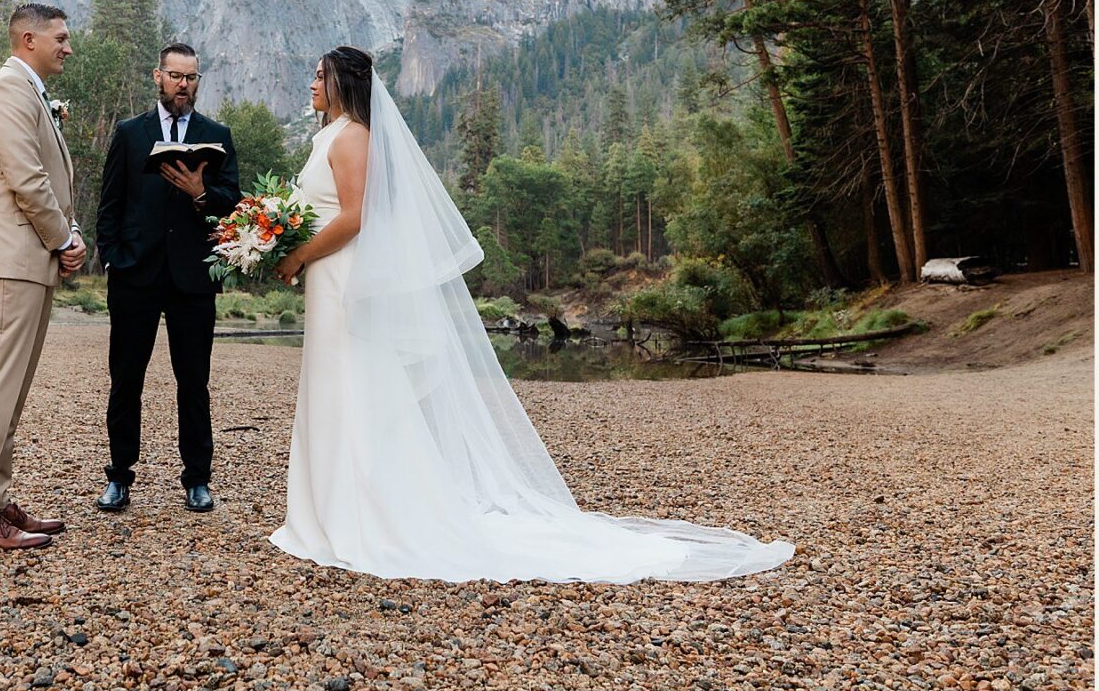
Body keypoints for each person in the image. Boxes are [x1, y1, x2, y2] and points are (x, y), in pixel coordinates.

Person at [269, 45, 794, 582]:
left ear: (345, 84)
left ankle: (368, 516)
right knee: (336, 387)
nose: (311, 84)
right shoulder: (327, 137)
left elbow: (356, 216)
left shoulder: (354, 135)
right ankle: (329, 511)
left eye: (320, 76)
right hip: (328, 280)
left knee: (356, 388)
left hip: (345, 280)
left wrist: (297, 253)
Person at [0, 3, 85, 551]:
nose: (68, 47)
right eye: (61, 38)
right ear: (28, 39)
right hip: (8, 258)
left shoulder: (27, 92)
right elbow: (27, 180)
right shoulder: (7, 90)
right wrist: (65, 239)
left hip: (25, 260)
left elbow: (46, 177)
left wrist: (66, 233)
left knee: (11, 389)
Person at [95, 43, 241, 513]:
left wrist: (202, 194)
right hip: (136, 274)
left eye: (192, 77)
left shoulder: (216, 134)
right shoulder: (129, 133)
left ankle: (197, 479)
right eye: (176, 76)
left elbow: (233, 201)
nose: (184, 84)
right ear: (157, 76)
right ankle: (119, 477)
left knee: (194, 382)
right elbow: (110, 205)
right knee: (126, 380)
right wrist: (115, 258)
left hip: (192, 278)